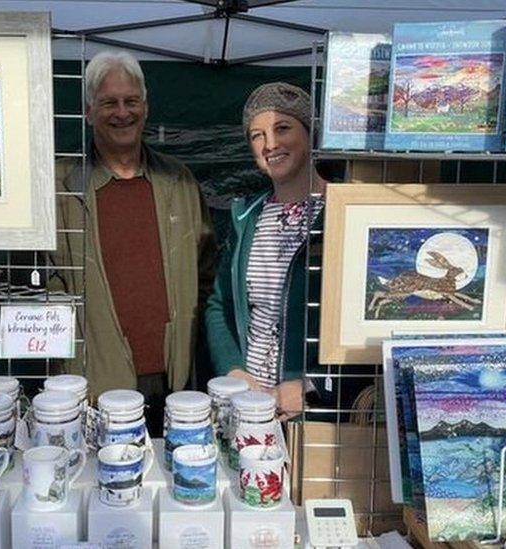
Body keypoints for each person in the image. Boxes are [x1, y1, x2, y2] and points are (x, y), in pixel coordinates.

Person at [50, 50, 214, 436]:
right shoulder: (61, 187)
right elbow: (38, 280)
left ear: (146, 107)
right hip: (95, 383)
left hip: (174, 382)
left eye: (131, 101)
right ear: (89, 111)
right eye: (109, 102)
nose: (122, 112)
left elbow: (208, 272)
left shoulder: (180, 181)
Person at [206, 82, 332, 420]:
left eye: (282, 128)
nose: (270, 144)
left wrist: (309, 383)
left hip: (316, 413)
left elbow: (362, 324)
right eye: (257, 135)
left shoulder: (344, 212)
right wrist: (233, 371)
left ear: (311, 133)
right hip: (248, 407)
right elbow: (218, 306)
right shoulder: (246, 217)